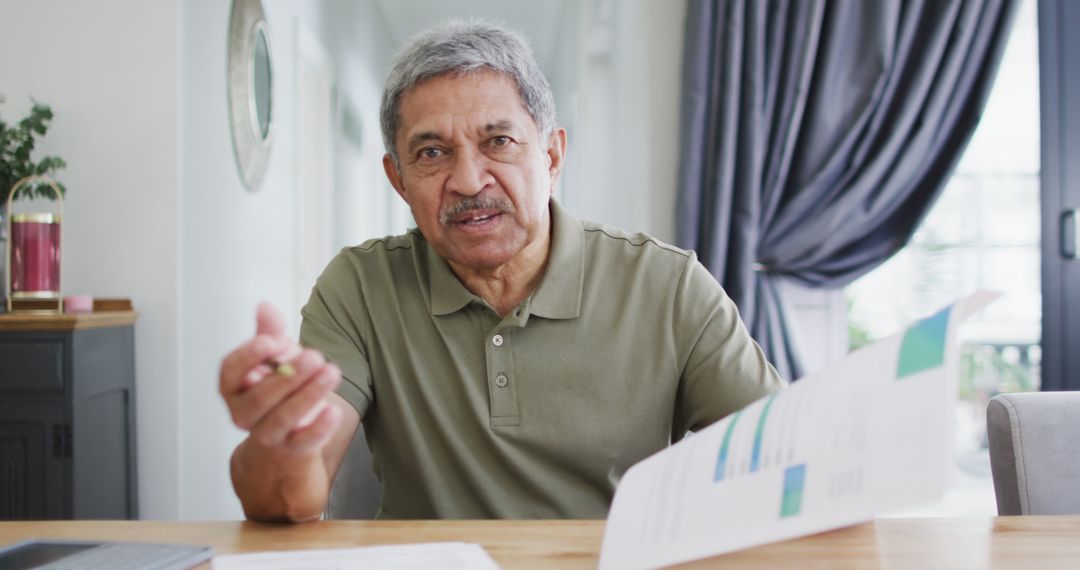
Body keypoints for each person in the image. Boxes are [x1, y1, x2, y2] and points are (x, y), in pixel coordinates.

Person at [219, 20, 784, 522]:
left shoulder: (667, 285)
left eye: (498, 141)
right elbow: (287, 501)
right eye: (432, 153)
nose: (468, 180)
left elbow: (781, 461)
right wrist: (279, 441)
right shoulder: (359, 287)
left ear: (552, 157)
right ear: (399, 180)